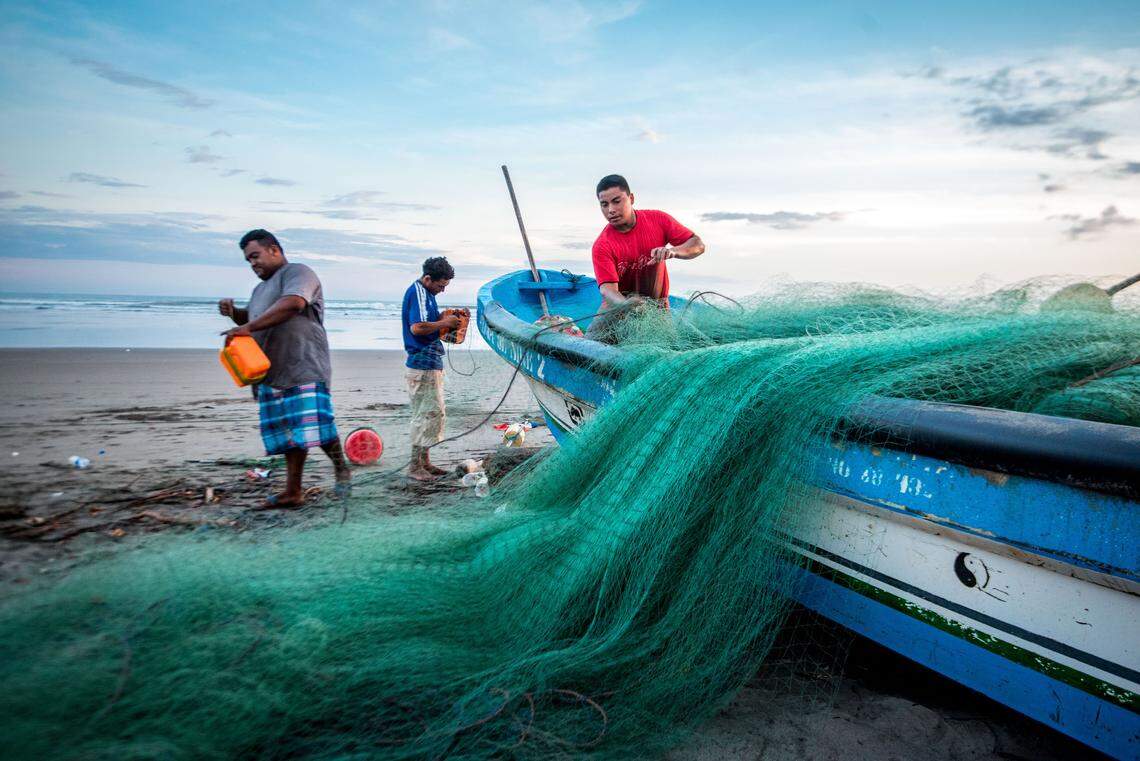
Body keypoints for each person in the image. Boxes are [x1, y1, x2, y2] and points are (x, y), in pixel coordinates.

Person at [219, 229, 351, 507]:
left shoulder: (298, 273)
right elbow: (255, 315)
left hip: (304, 363)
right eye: (248, 260)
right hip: (271, 369)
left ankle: (341, 468)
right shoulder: (259, 289)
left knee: (318, 427)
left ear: (274, 250)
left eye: (255, 255)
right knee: (289, 434)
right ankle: (293, 491)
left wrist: (248, 326)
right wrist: (235, 314)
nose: (253, 263)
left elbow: (293, 303)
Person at [587, 174, 705, 342]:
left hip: (656, 311)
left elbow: (697, 244)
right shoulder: (602, 245)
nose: (610, 210)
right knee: (589, 345)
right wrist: (625, 305)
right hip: (617, 309)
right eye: (604, 205)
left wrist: (673, 251)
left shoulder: (658, 220)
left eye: (616, 201)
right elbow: (608, 290)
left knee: (666, 350)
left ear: (631, 198)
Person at [401, 256, 461, 480]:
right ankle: (415, 466)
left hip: (430, 362)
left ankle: (424, 462)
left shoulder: (428, 295)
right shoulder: (418, 292)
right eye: (440, 285)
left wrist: (448, 319)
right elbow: (417, 328)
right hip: (421, 363)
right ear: (427, 278)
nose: (442, 290)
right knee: (424, 414)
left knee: (433, 412)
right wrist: (444, 323)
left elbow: (430, 323)